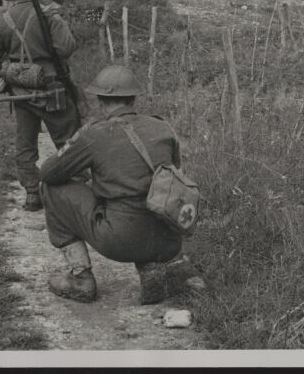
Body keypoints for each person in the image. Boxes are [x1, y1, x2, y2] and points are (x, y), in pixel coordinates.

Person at [37, 65, 196, 305]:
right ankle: (153, 269)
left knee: (50, 189)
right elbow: (171, 176)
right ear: (133, 98)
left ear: (101, 101)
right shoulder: (163, 126)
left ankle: (80, 277)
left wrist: (86, 177)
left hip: (122, 241)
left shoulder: (95, 133)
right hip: (169, 237)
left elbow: (49, 173)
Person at [0, 0, 81, 211]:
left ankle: (32, 194)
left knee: (25, 145)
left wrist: (2, 84)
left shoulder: (5, 18)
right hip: (52, 89)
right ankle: (76, 191)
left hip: (20, 92)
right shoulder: (49, 14)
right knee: (68, 141)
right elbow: (67, 48)